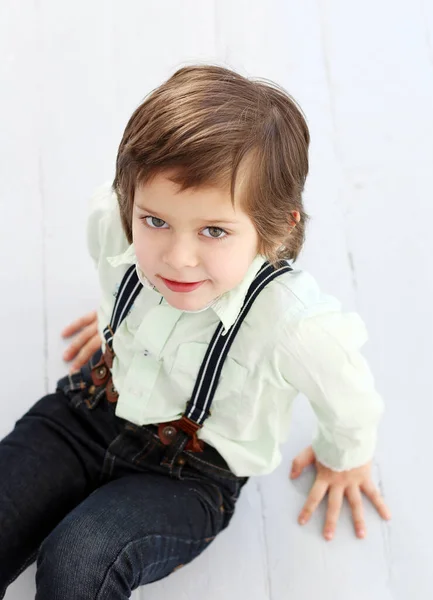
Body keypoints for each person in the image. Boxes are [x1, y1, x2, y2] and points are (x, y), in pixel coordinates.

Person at [0, 64, 391, 599]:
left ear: (276, 227)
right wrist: (119, 318)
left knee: (79, 559)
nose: (177, 259)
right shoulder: (111, 221)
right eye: (155, 221)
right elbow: (111, 260)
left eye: (214, 231)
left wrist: (347, 458)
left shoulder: (294, 324)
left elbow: (350, 400)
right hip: (87, 411)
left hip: (188, 475)